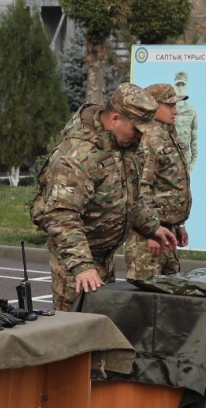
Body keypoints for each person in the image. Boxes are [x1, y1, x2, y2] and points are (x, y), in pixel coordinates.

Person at [30, 83, 177, 310]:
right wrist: (82, 266)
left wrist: (152, 227)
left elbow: (129, 197)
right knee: (76, 326)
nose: (140, 136)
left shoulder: (123, 148)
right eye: (136, 129)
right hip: (75, 264)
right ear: (116, 119)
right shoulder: (78, 155)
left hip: (103, 258)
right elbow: (61, 215)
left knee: (102, 323)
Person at [123, 81, 193, 280]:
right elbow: (141, 188)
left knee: (169, 292)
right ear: (152, 106)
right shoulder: (148, 139)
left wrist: (179, 224)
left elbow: (171, 185)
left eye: (175, 105)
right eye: (169, 105)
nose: (175, 111)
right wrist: (151, 231)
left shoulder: (168, 135)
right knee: (146, 294)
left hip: (167, 233)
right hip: (149, 238)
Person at [172, 70, 199, 169]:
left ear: (186, 87)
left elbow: (194, 136)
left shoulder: (191, 111)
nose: (180, 88)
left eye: (182, 85)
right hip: (169, 157)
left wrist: (194, 159)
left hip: (185, 157)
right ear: (174, 87)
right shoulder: (167, 109)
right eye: (178, 85)